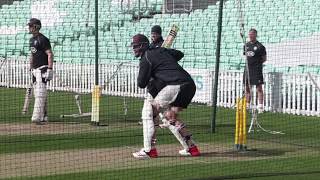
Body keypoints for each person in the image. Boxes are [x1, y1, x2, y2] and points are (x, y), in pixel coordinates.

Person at [130, 34, 200, 159]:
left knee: (149, 111)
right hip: (189, 85)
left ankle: (149, 150)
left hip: (176, 85)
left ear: (142, 46)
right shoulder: (160, 51)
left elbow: (141, 83)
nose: (134, 49)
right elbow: (179, 54)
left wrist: (154, 67)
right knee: (169, 117)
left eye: (135, 46)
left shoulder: (146, 58)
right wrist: (163, 54)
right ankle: (191, 148)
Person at [28, 18, 54, 124]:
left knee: (40, 93)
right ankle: (44, 115)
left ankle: (37, 117)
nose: (29, 28)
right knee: (39, 93)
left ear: (36, 27)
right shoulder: (31, 40)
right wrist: (30, 67)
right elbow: (32, 55)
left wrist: (50, 68)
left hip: (42, 68)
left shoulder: (42, 39)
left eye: (30, 26)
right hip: (35, 69)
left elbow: (50, 54)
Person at [243, 29, 266, 113]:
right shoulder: (246, 45)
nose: (250, 36)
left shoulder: (260, 46)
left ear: (255, 35)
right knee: (247, 88)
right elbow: (246, 56)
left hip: (256, 70)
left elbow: (264, 59)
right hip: (247, 69)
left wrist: (257, 64)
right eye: (249, 34)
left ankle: (260, 107)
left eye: (252, 34)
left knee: (259, 88)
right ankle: (247, 106)